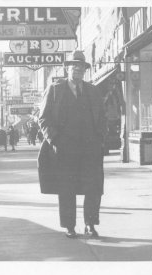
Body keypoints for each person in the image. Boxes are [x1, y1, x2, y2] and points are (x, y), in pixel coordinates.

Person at [38, 50, 107, 238]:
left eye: (81, 66)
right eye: (73, 65)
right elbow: (43, 118)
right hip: (65, 149)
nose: (77, 69)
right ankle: (69, 226)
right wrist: (54, 140)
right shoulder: (55, 89)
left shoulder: (92, 90)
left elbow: (102, 117)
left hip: (90, 148)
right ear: (67, 68)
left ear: (85, 70)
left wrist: (100, 138)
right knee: (66, 188)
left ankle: (90, 224)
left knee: (93, 187)